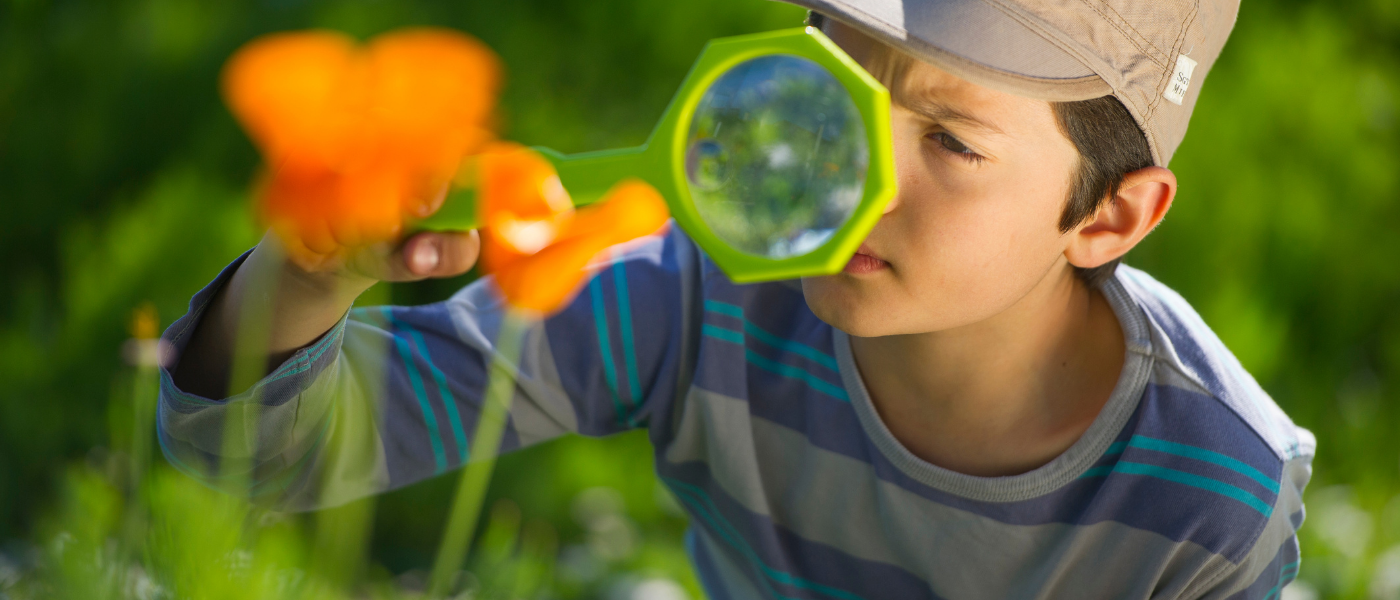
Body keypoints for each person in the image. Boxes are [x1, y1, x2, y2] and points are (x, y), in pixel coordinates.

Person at [160, 0, 1314, 597]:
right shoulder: (694, 298)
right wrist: (312, 273)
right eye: (836, 90)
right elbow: (260, 455)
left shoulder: (1209, 495)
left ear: (1105, 217)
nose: (853, 174)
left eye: (950, 140)